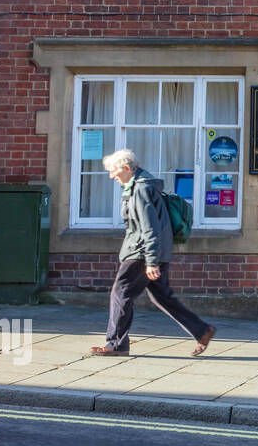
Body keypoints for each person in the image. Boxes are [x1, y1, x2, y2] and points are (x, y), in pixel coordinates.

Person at [89, 149, 216, 358]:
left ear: (127, 168)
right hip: (155, 251)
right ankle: (202, 331)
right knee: (162, 297)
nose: (111, 175)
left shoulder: (141, 189)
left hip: (141, 253)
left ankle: (116, 344)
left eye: (113, 171)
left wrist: (151, 261)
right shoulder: (142, 185)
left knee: (120, 294)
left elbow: (150, 228)